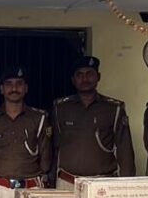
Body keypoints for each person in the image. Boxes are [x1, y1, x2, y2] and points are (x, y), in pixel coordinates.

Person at [51, 55, 135, 187]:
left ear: (98, 77)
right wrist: (50, 179)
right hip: (67, 182)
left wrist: (126, 185)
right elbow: (55, 148)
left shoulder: (113, 109)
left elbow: (125, 152)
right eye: (79, 75)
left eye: (89, 74)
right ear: (73, 80)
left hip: (102, 183)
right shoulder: (61, 108)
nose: (85, 79)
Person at [0, 66, 51, 198]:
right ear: (1, 89)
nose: (14, 88)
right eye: (9, 84)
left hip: (32, 188)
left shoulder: (39, 118)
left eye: (19, 84)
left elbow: (46, 158)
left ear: (26, 88)